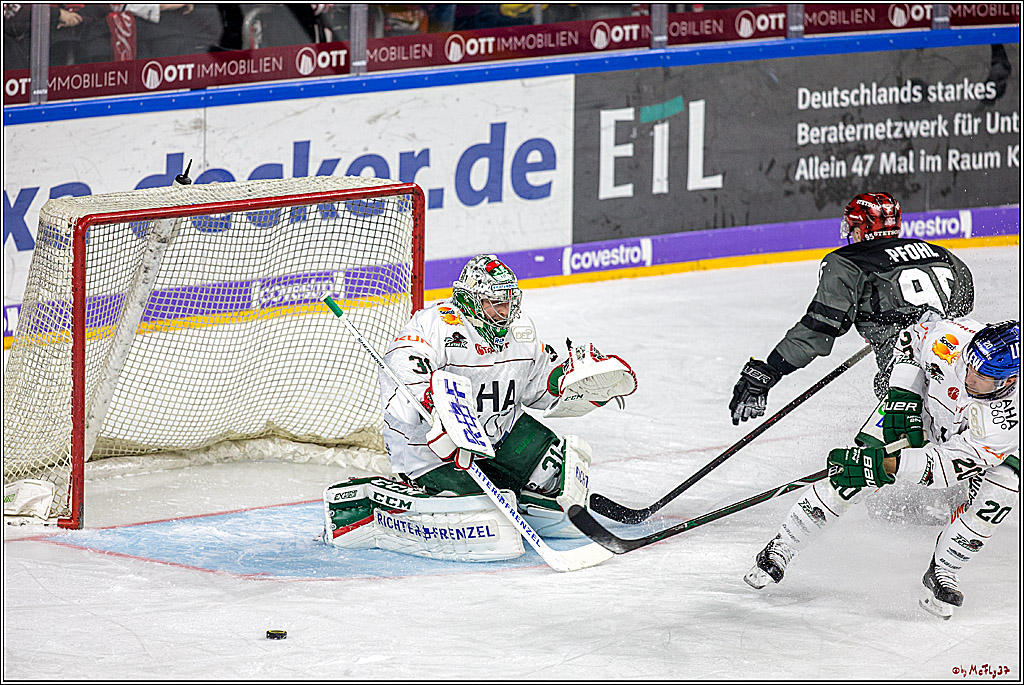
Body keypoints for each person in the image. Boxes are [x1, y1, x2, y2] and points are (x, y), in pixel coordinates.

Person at [321, 254, 637, 562]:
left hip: (500, 436)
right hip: (433, 449)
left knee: (559, 475)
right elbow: (403, 369)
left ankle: (512, 495)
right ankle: (403, 494)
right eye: (495, 303)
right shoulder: (436, 324)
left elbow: (537, 382)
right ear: (471, 300)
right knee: (485, 515)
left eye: (509, 302)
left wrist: (574, 384)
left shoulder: (520, 329)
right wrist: (436, 411)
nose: (505, 312)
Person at [743, 318, 1019, 620]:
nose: (970, 377)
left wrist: (885, 466)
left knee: (999, 496)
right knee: (850, 481)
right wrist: (904, 394)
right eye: (970, 367)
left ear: (1009, 381)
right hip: (923, 408)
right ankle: (782, 545)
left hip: (977, 449)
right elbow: (910, 341)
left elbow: (946, 467)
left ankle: (944, 570)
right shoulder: (953, 339)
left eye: (983, 377)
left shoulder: (1008, 421)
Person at [729, 192, 975, 426]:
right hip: (962, 362)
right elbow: (962, 305)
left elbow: (821, 327)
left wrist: (771, 369)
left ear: (860, 230)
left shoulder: (848, 261)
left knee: (892, 404)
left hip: (909, 372)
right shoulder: (939, 253)